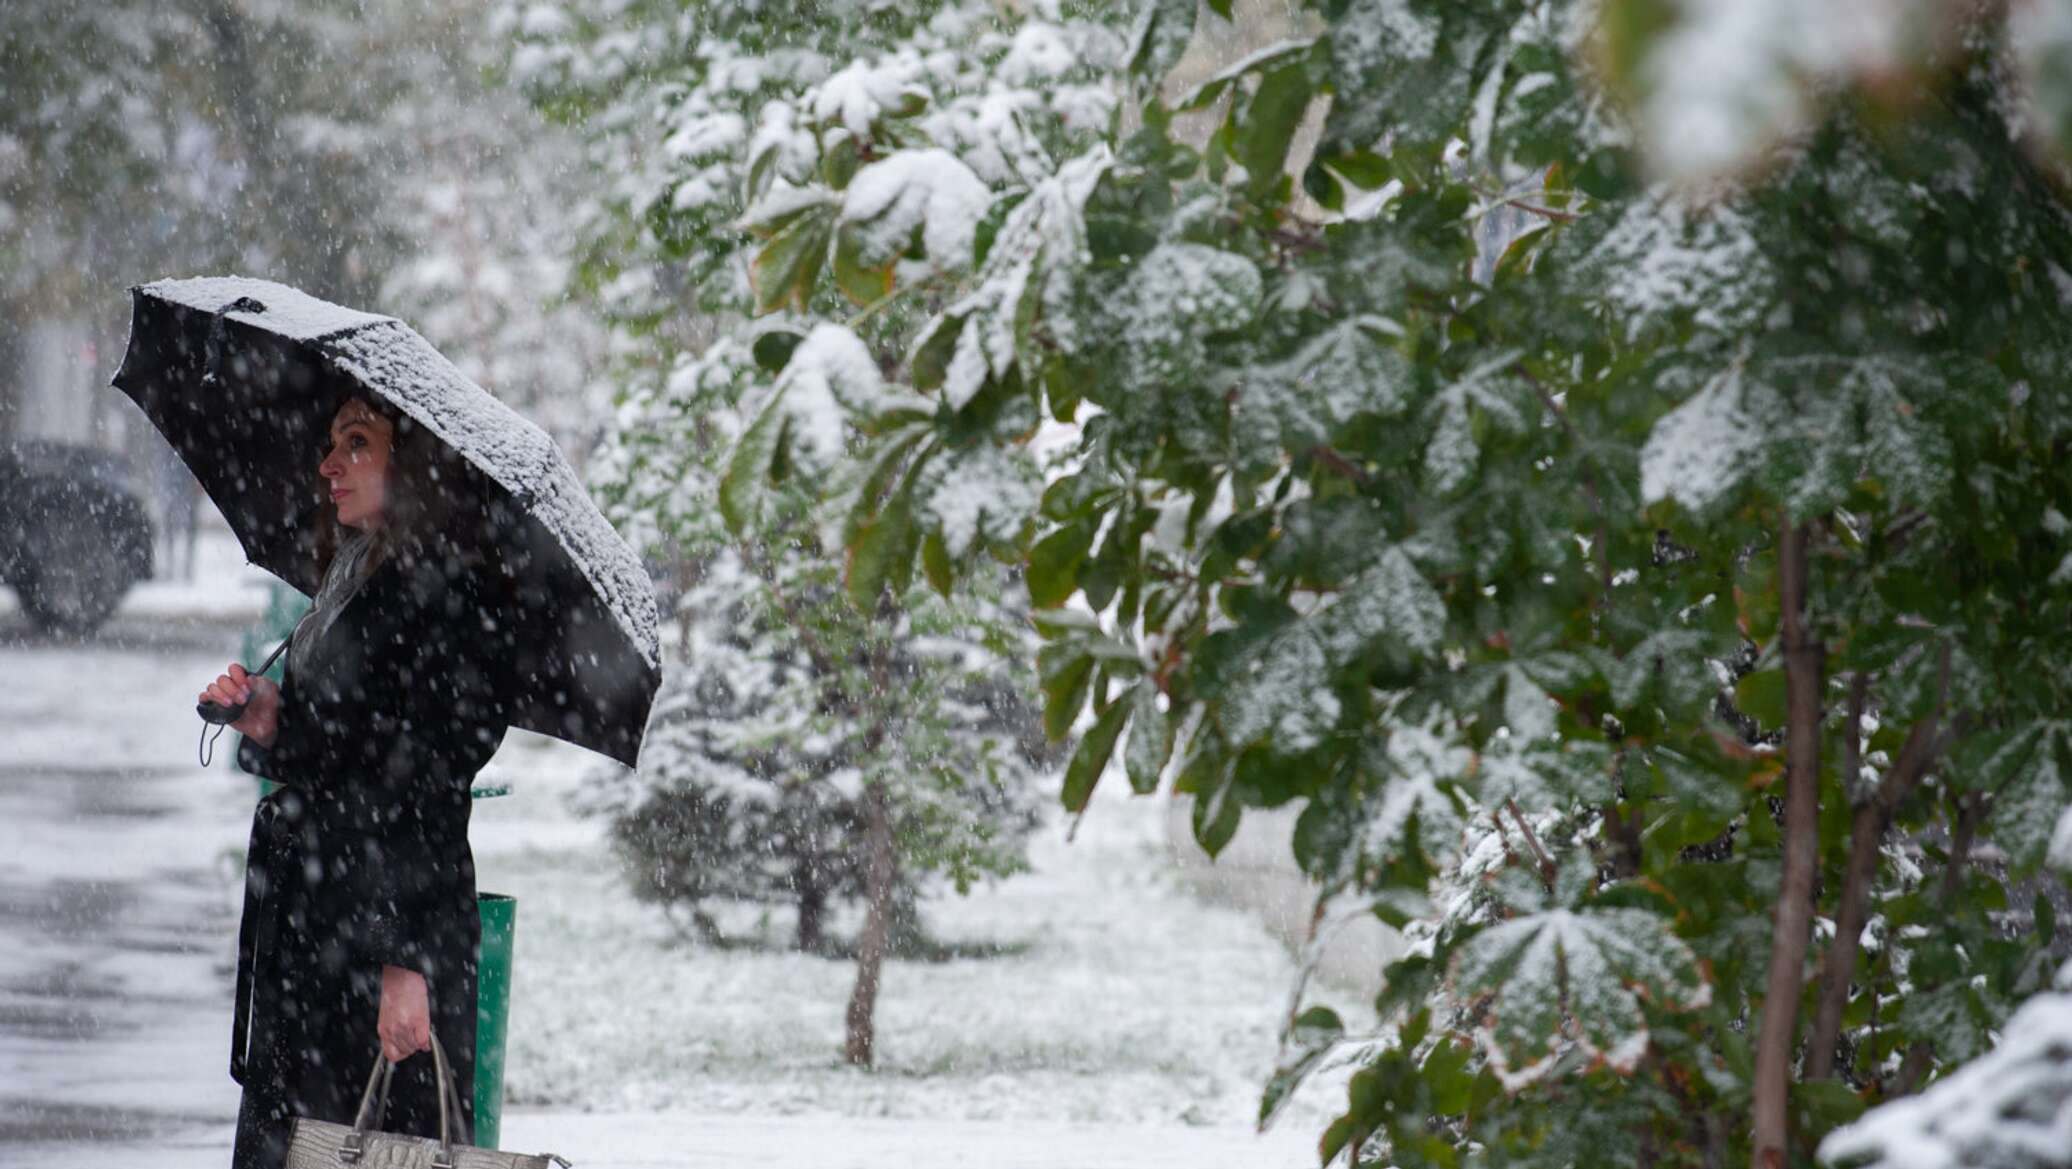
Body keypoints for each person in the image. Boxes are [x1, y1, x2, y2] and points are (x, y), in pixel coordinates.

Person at [198, 394, 514, 1168]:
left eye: (359, 444)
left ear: (413, 470)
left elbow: (431, 786)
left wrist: (405, 964)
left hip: (380, 931)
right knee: (303, 1141)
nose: (328, 464)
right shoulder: (355, 571)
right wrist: (273, 721)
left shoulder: (447, 595)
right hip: (322, 920)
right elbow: (352, 749)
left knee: (360, 1142)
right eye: (332, 442)